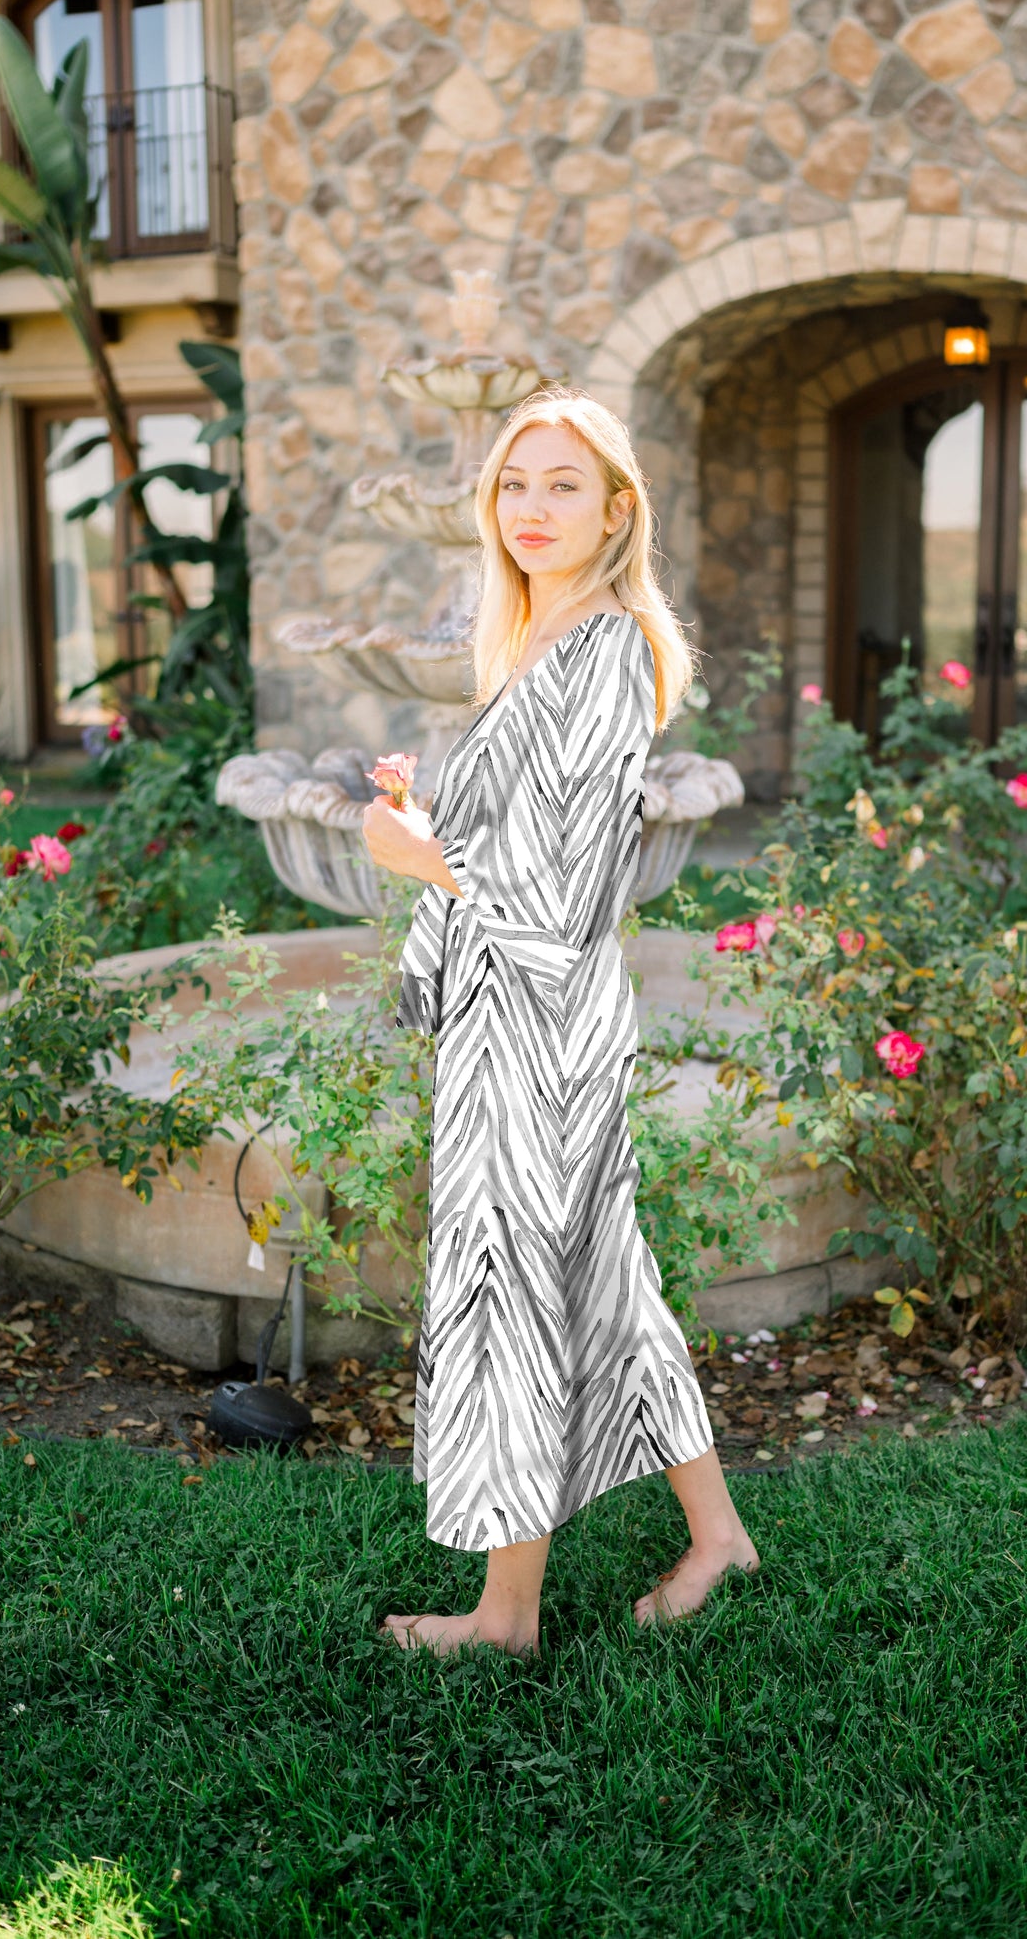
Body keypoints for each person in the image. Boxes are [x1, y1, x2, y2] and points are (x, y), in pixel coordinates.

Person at [362, 386, 760, 1658]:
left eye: (562, 487)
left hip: (538, 1017)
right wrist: (436, 822)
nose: (530, 510)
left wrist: (424, 864)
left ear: (614, 510)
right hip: (524, 1008)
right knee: (597, 1276)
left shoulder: (598, 653)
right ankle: (717, 1538)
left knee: (509, 1288)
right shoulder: (537, 637)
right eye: (513, 485)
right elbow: (519, 834)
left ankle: (504, 1614)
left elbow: (571, 890)